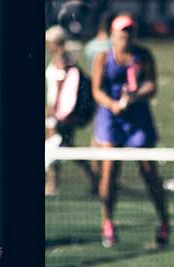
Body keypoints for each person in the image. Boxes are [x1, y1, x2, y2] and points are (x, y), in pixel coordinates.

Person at [91, 13, 170, 248]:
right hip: (111, 118)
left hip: (138, 118)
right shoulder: (104, 58)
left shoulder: (143, 55)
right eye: (122, 32)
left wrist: (134, 97)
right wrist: (113, 104)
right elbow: (97, 90)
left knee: (148, 170)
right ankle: (108, 223)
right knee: (109, 172)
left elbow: (152, 85)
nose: (126, 36)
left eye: (130, 31)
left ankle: (164, 221)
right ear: (114, 35)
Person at [45, 25, 99, 196]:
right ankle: (93, 177)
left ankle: (53, 184)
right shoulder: (63, 58)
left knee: (56, 147)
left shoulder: (62, 60)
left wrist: (53, 110)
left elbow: (64, 87)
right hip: (59, 112)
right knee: (64, 148)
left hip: (59, 114)